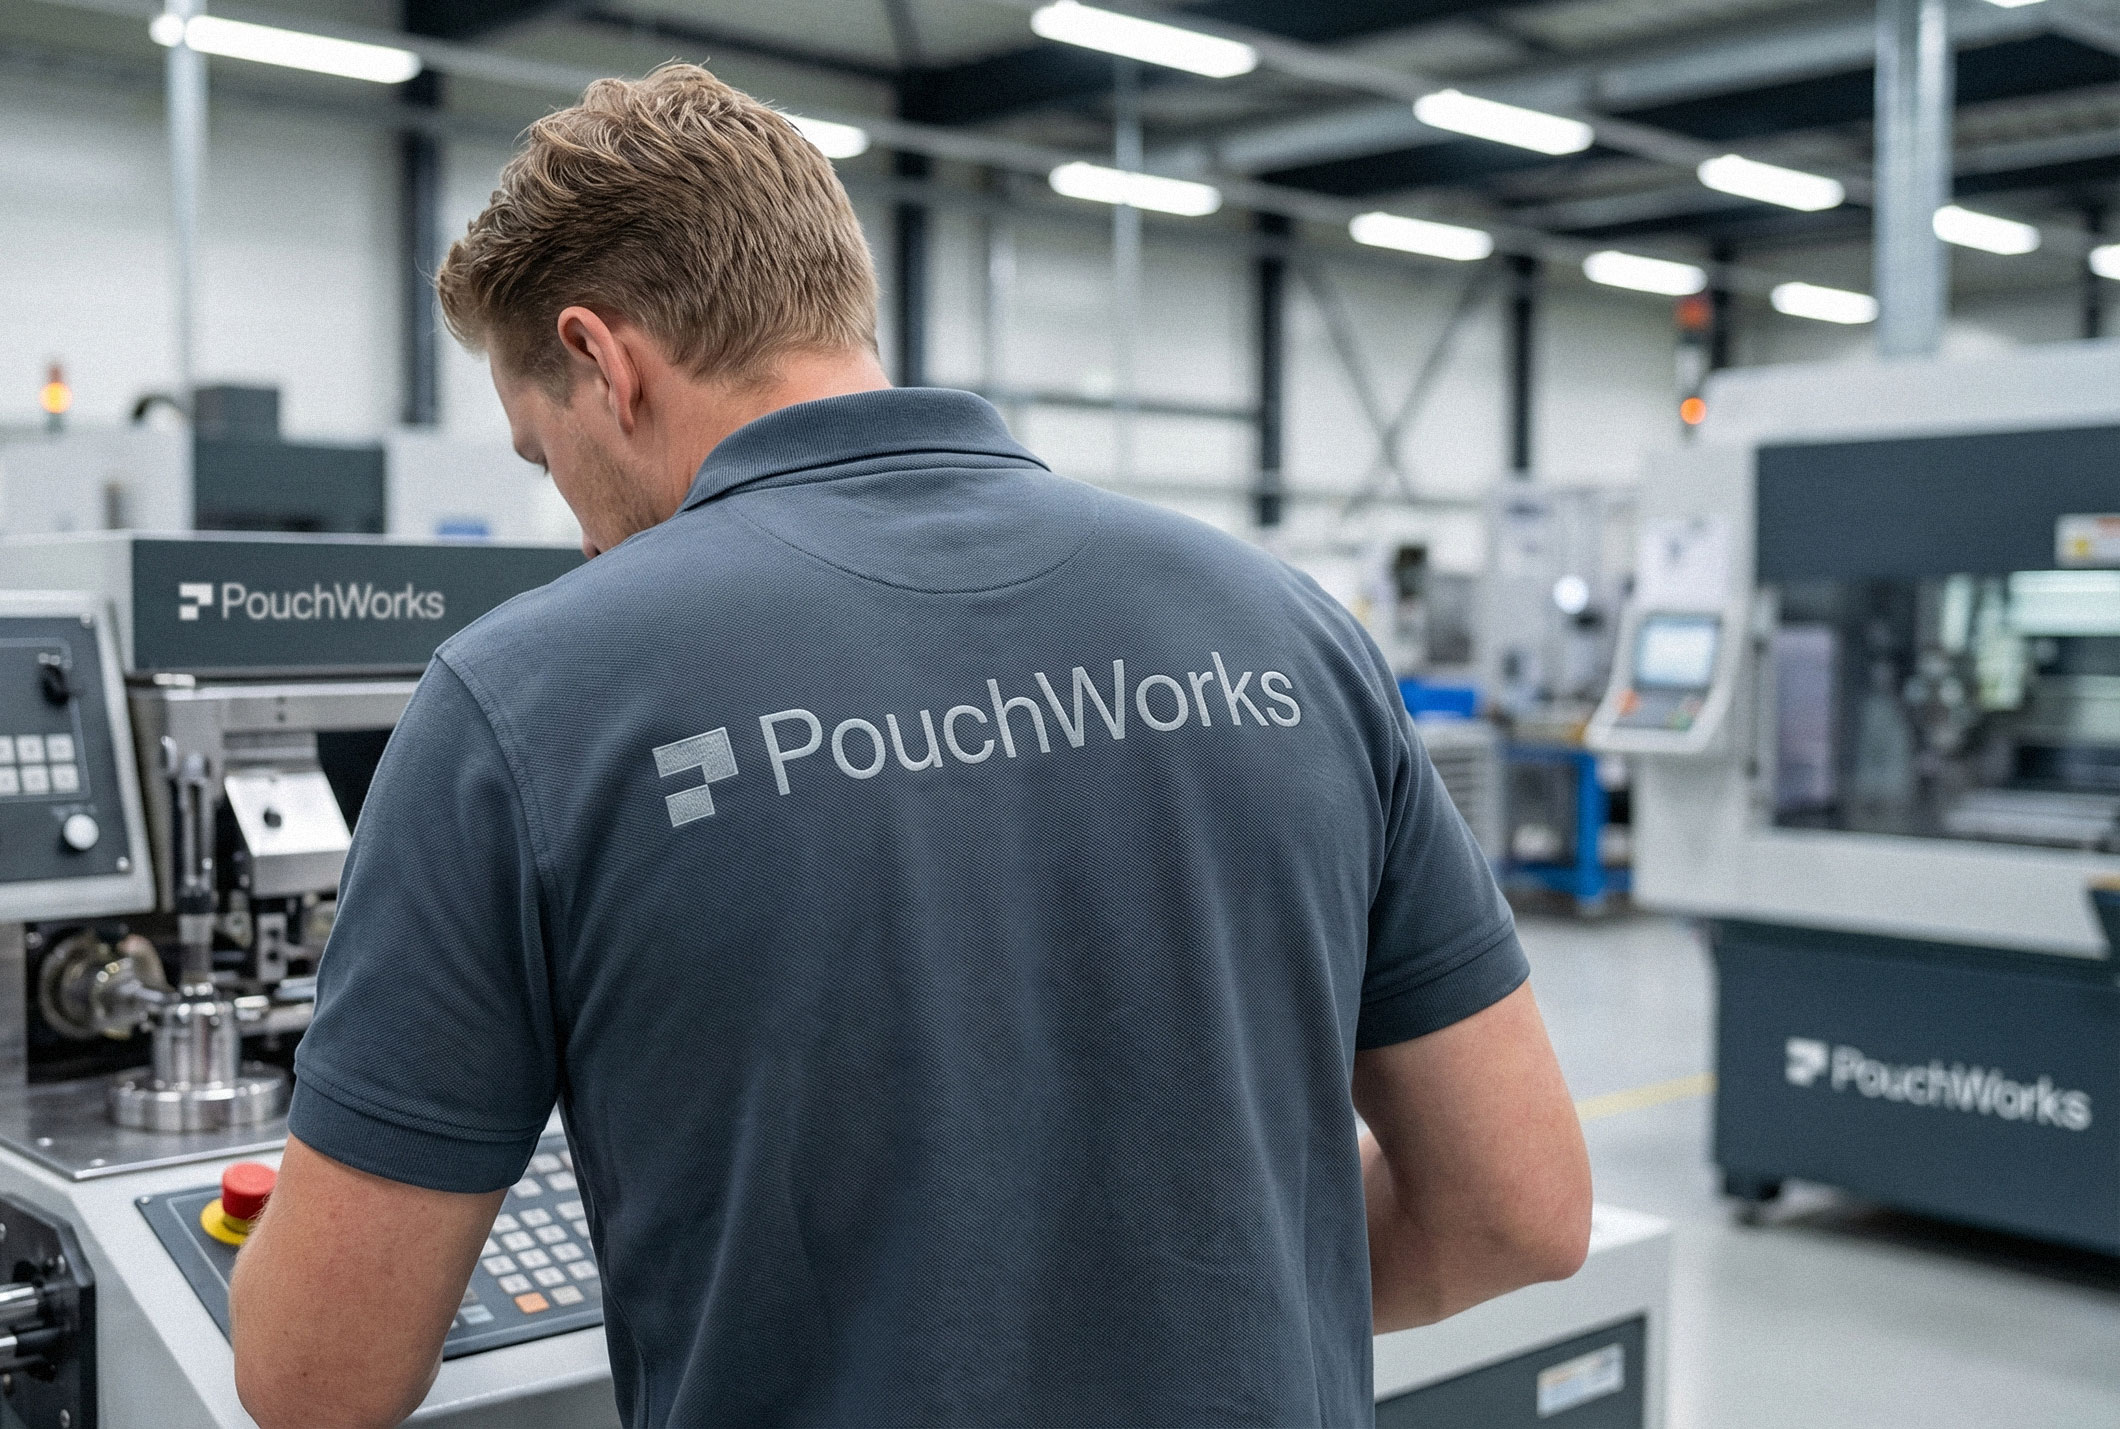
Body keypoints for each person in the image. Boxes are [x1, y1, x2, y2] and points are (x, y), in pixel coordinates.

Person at [229, 63, 1589, 1429]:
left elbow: (316, 1379)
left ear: (602, 359)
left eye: (545, 458)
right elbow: (1517, 1211)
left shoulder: (524, 701)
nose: (578, 529)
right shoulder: (1288, 625)